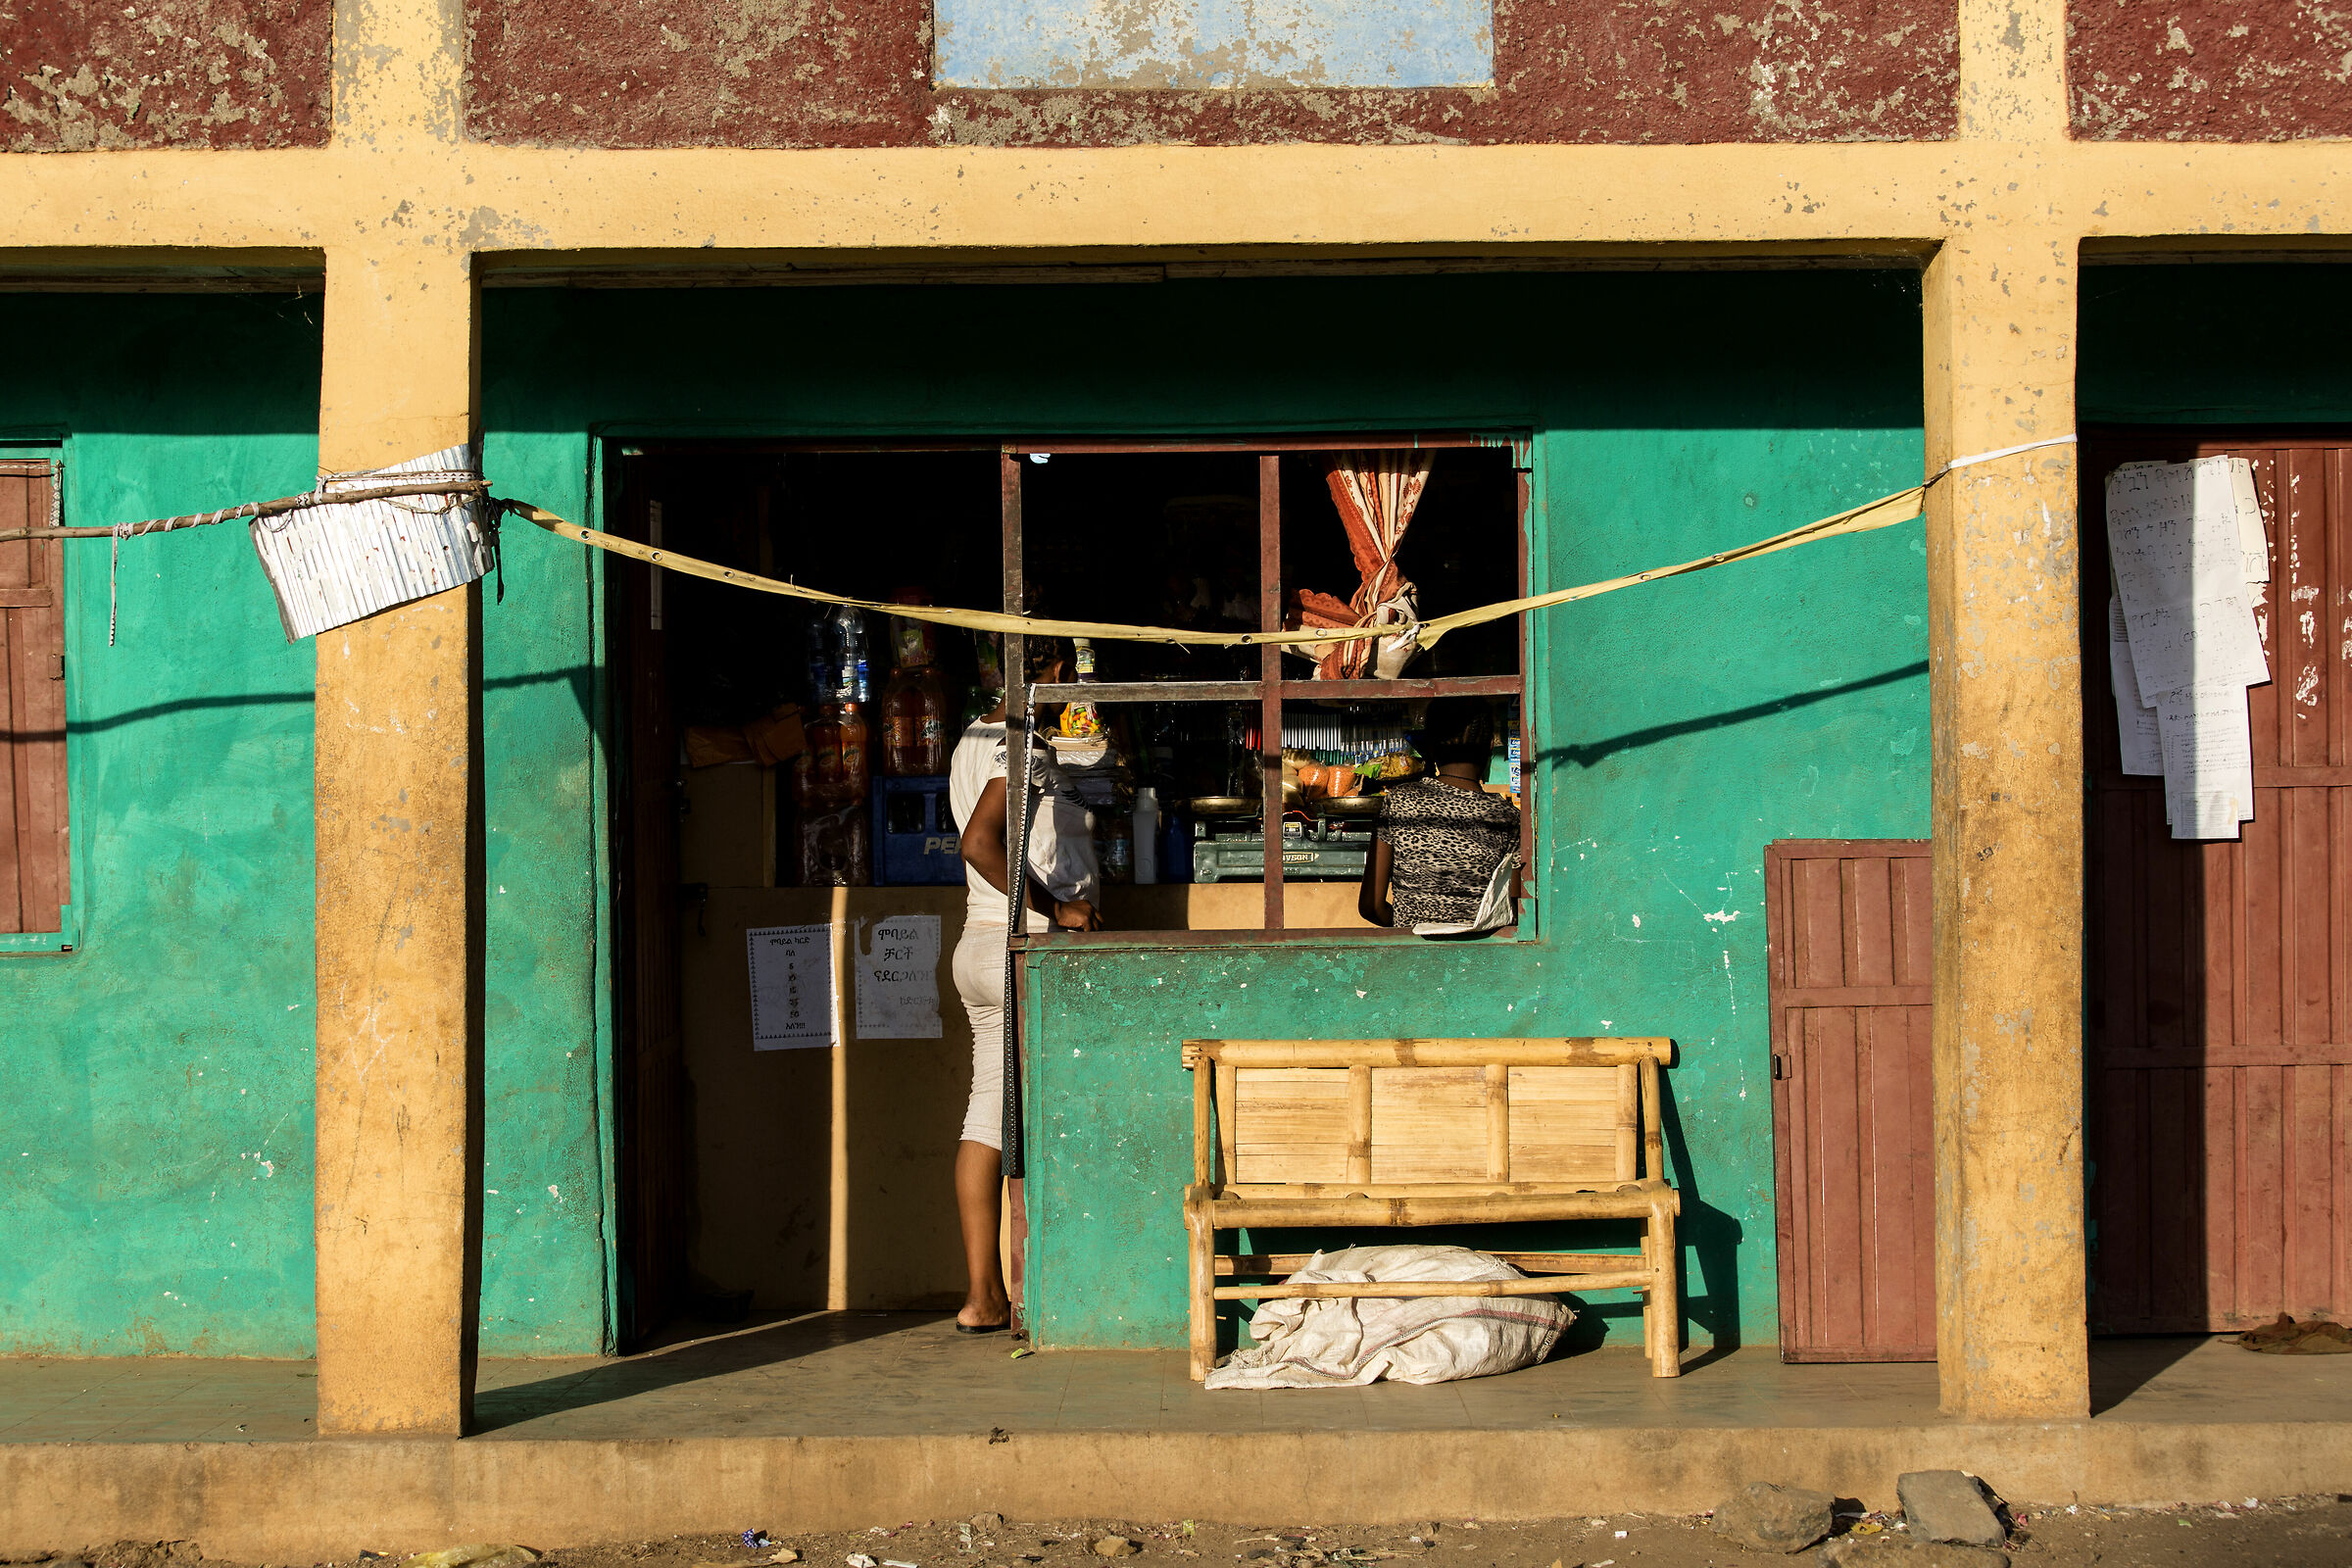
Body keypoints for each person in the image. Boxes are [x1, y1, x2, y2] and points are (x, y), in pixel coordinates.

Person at [945, 639, 1102, 1333]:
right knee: (1038, 1115)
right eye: (1070, 673)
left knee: (987, 1117)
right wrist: (1055, 909)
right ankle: (1030, 1287)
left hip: (978, 946)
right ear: (1053, 672)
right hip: (1020, 947)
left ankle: (984, 1297)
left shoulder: (970, 738)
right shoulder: (1022, 745)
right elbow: (980, 842)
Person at [1358, 697, 1520, 932]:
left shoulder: (1400, 802)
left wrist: (1409, 928)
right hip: (1481, 957)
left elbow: (1371, 906)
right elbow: (1513, 912)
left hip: (1413, 954)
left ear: (1430, 748)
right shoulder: (1507, 817)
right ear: (1488, 750)